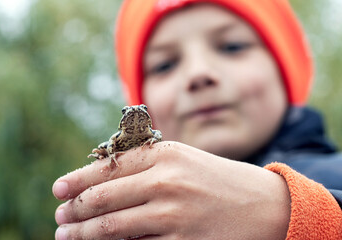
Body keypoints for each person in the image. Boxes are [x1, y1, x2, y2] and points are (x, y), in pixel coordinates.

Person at [52, 0, 342, 239]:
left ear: (283, 70)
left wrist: (295, 217)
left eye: (232, 46)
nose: (198, 73)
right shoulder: (131, 215)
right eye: (164, 64)